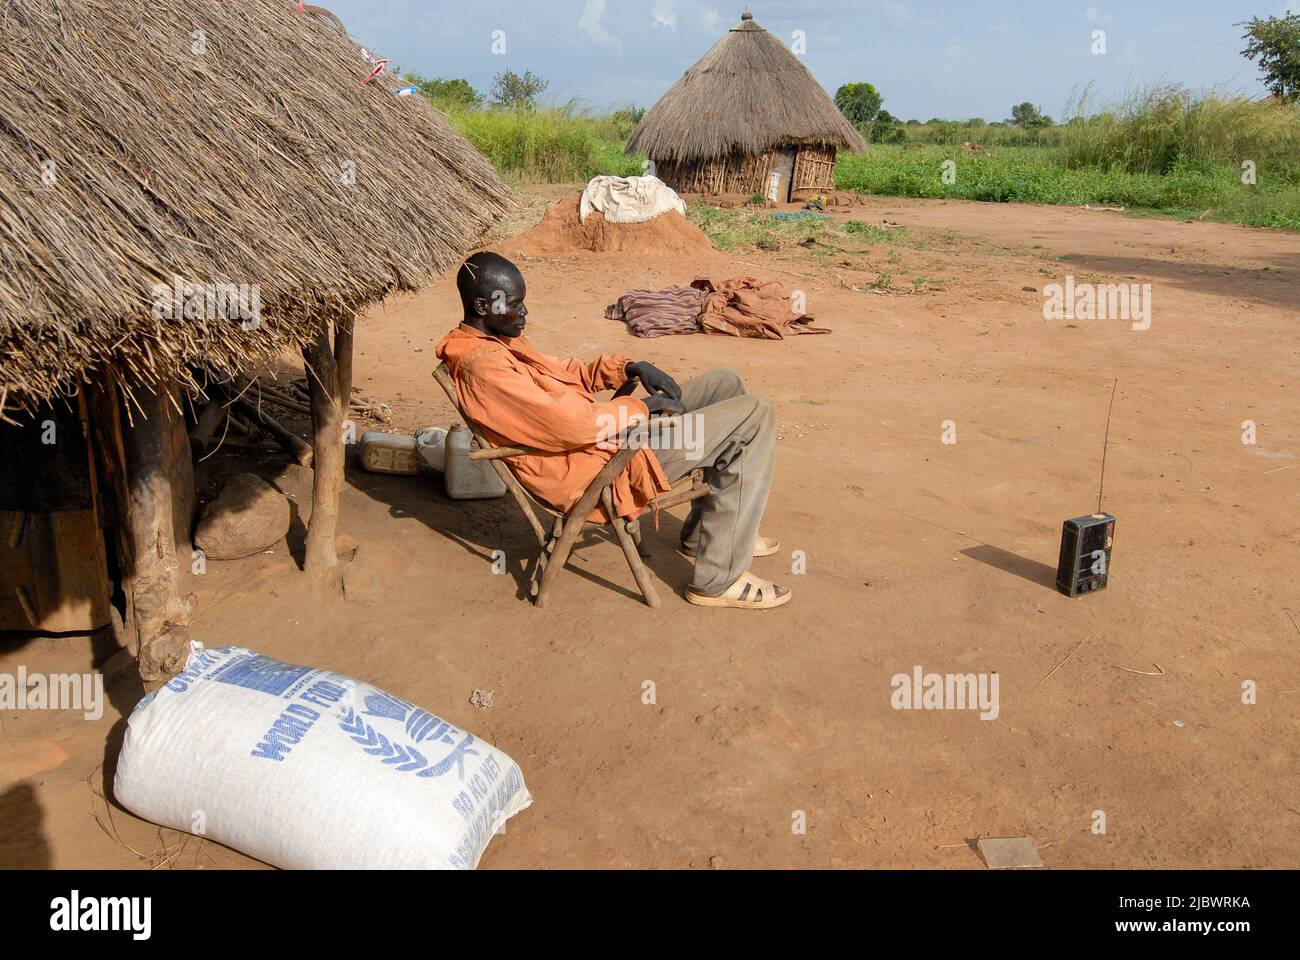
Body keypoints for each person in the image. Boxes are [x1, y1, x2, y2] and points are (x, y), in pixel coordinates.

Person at [435, 252, 789, 609]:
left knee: (724, 383)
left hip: (607, 438)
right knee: (754, 414)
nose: (524, 312)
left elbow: (565, 372)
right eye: (515, 304)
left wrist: (628, 369)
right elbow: (570, 424)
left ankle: (711, 538)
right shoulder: (485, 368)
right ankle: (718, 581)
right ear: (483, 305)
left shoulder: (499, 342)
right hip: (603, 468)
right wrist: (641, 408)